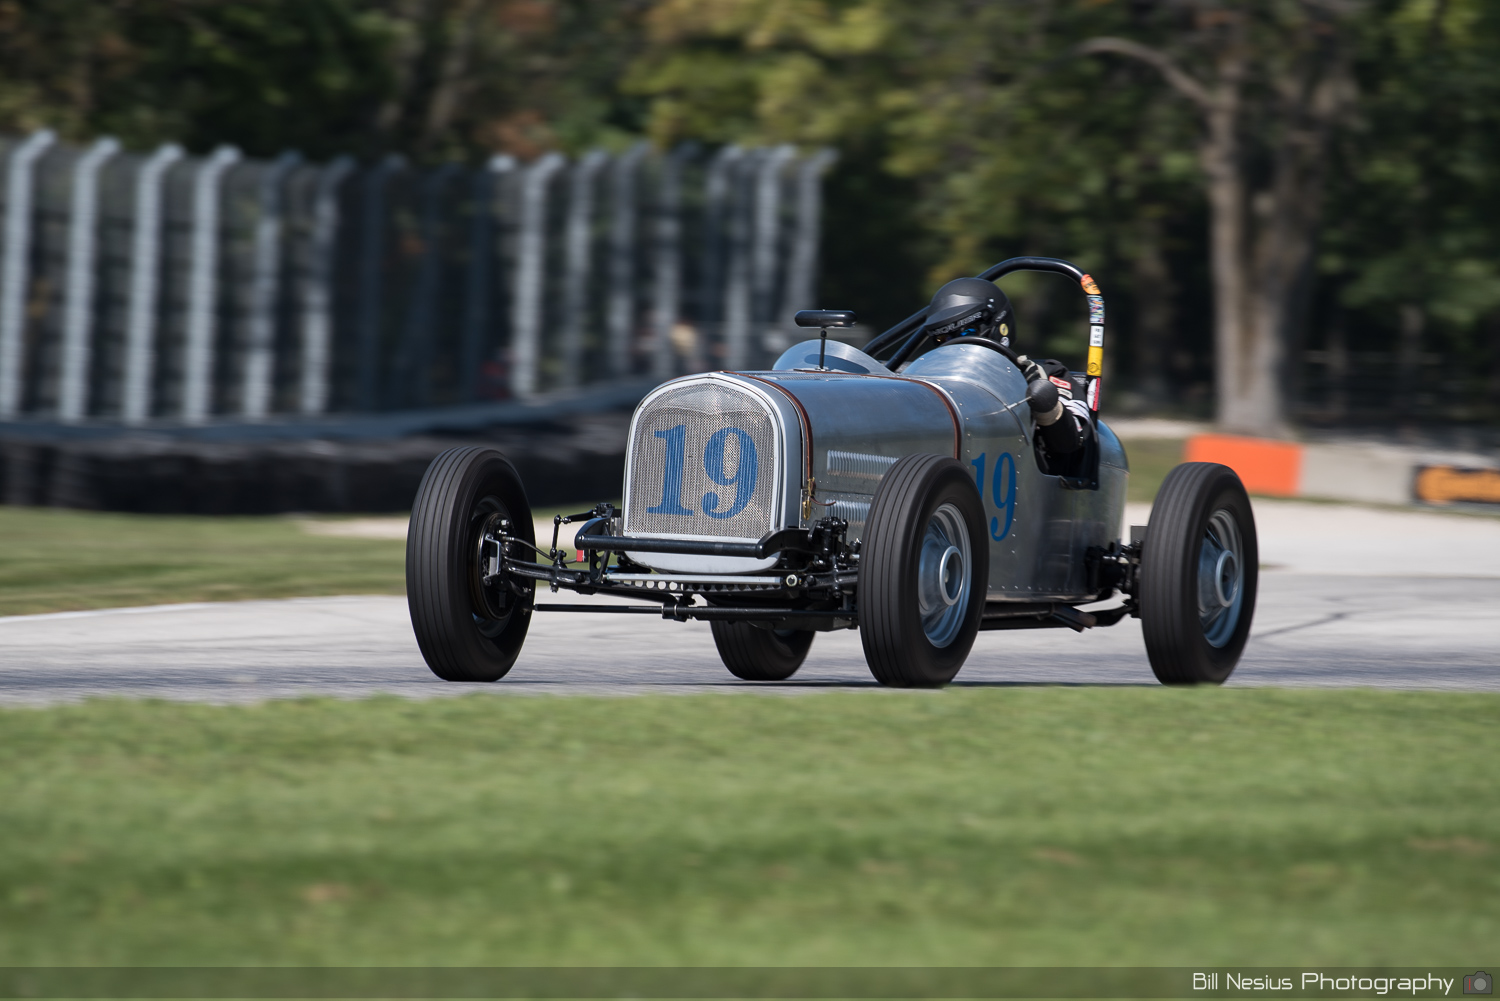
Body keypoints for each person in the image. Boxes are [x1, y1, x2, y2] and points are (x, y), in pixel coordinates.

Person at [920, 278, 1090, 461]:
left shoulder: (1046, 375)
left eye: (967, 332)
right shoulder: (930, 384)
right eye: (943, 338)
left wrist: (1044, 400)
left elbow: (1074, 442)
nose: (954, 344)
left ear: (1000, 327)